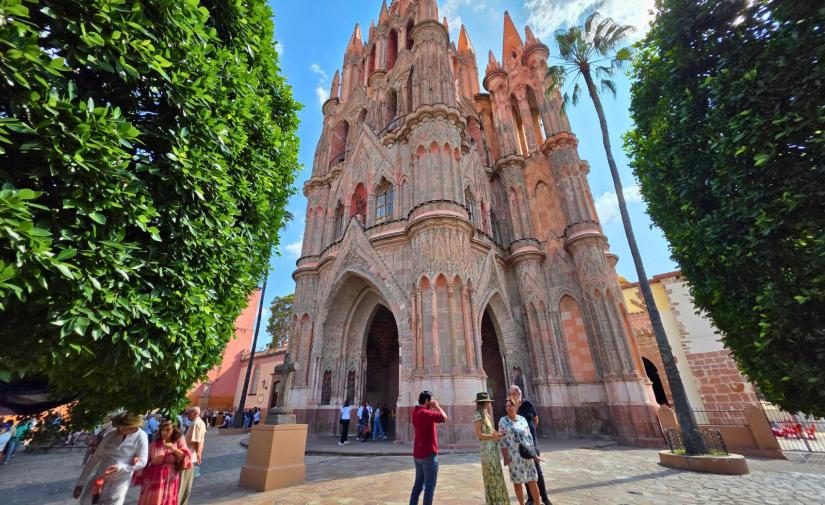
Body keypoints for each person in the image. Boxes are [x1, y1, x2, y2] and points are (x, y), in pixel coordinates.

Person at [73, 412, 149, 505]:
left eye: (122, 427)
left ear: (133, 427)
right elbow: (95, 458)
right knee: (86, 502)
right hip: (99, 477)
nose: (118, 429)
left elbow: (142, 461)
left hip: (120, 481)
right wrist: (81, 483)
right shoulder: (110, 435)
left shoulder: (141, 437)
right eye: (118, 426)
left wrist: (121, 467)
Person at [510, 385, 552, 505]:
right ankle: (531, 498)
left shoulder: (528, 404)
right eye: (510, 395)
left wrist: (530, 433)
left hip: (532, 442)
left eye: (512, 394)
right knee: (525, 470)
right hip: (520, 445)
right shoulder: (513, 407)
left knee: (537, 471)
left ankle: (544, 498)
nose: (511, 397)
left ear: (518, 394)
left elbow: (536, 419)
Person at [135, 420, 191, 505]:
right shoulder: (154, 444)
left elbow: (185, 458)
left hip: (170, 480)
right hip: (153, 480)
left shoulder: (177, 442)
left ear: (174, 430)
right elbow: (145, 460)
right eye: (162, 430)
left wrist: (174, 449)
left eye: (168, 430)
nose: (164, 432)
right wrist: (137, 459)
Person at [499, 398, 542, 505]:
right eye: (507, 406)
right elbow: (502, 440)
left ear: (516, 406)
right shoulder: (503, 421)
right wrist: (505, 457)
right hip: (514, 456)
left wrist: (534, 454)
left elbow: (529, 437)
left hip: (527, 454)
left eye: (511, 405)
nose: (509, 408)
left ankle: (538, 503)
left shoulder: (522, 419)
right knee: (517, 482)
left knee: (532, 480)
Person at [409, 390, 447, 505]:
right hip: (428, 454)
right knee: (429, 487)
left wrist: (431, 406)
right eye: (431, 400)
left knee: (418, 485)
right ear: (426, 401)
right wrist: (437, 406)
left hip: (418, 454)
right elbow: (444, 417)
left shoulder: (415, 411)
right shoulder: (426, 414)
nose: (432, 403)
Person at [472, 392, 509, 505]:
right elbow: (479, 434)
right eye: (488, 401)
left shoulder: (486, 413)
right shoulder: (478, 415)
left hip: (492, 447)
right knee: (491, 475)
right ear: (484, 402)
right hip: (486, 449)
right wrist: (493, 436)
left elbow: (491, 429)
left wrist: (498, 433)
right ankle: (493, 501)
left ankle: (500, 500)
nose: (489, 403)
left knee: (497, 474)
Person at [177, 407, 206, 505]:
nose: (187, 415)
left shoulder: (196, 423)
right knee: (185, 482)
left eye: (189, 413)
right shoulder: (199, 422)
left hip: (189, 457)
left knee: (183, 483)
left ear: (194, 413)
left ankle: (179, 502)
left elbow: (196, 441)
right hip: (190, 456)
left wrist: (198, 454)